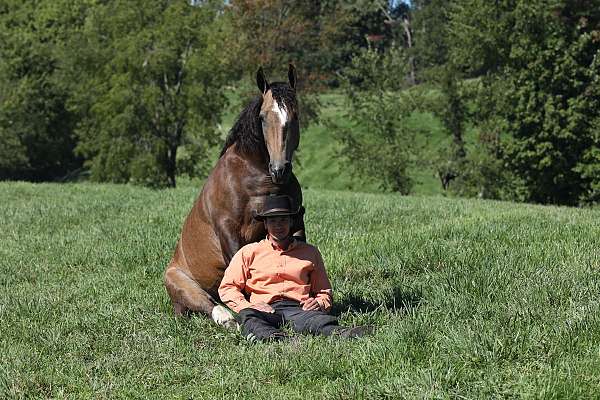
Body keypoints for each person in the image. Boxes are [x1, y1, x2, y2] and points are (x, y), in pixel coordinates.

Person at [218, 194, 372, 342]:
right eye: (273, 221)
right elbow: (227, 288)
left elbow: (323, 291)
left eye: (283, 220)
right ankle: (275, 339)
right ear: (265, 224)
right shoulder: (249, 252)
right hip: (263, 309)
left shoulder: (310, 252)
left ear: (291, 222)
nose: (278, 225)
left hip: (298, 309)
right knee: (248, 317)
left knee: (318, 321)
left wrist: (319, 303)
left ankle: (343, 333)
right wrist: (249, 305)